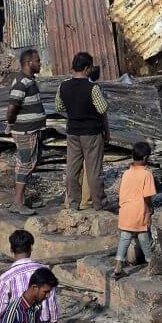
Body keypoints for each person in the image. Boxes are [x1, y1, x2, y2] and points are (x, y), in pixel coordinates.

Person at [54, 53, 109, 211]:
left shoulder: (63, 86)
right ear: (86, 68)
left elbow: (59, 107)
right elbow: (102, 108)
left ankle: (73, 202)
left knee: (72, 169)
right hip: (91, 133)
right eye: (90, 67)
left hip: (73, 132)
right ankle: (99, 202)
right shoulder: (92, 88)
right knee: (94, 171)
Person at [0, 231, 60, 323]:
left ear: (11, 249)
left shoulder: (6, 277)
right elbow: (51, 300)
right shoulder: (44, 270)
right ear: (31, 248)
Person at [3, 49, 46, 216]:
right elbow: (12, 107)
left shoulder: (29, 80)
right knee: (26, 164)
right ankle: (18, 203)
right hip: (26, 131)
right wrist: (12, 121)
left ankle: (20, 200)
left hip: (30, 130)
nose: (40, 63)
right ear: (29, 63)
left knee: (27, 162)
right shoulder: (22, 82)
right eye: (38, 60)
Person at [113, 141, 157, 279]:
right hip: (139, 211)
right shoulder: (147, 174)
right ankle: (151, 264)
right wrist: (150, 210)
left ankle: (118, 265)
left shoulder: (126, 173)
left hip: (125, 211)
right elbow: (147, 196)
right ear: (145, 158)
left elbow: (119, 191)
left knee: (125, 238)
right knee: (144, 238)